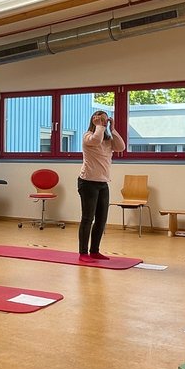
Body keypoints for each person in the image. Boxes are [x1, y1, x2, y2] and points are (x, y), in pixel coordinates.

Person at [78, 110, 125, 262]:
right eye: (100, 120)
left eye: (105, 120)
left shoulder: (108, 141)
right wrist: (98, 126)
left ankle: (95, 251)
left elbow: (121, 147)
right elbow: (96, 140)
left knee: (101, 219)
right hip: (87, 182)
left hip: (103, 183)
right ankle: (83, 253)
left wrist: (113, 128)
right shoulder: (88, 137)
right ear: (94, 121)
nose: (103, 123)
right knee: (87, 218)